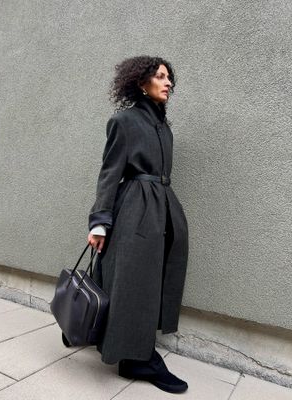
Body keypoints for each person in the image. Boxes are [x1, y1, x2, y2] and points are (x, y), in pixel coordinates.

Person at [87, 56, 189, 394]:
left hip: (161, 205)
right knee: (132, 282)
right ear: (141, 82)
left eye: (168, 77)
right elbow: (110, 172)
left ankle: (118, 342)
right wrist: (100, 222)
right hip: (135, 209)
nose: (168, 82)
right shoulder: (125, 122)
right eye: (159, 76)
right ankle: (137, 359)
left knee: (150, 280)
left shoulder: (163, 127)